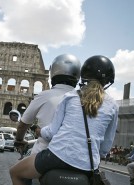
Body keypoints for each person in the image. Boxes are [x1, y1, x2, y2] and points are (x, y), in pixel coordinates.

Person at [9, 55, 118, 185]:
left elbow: (52, 132)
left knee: (15, 173)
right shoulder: (113, 106)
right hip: (89, 165)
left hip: (58, 156)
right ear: (108, 81)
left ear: (83, 75)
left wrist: (39, 131)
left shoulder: (70, 97)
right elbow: (105, 147)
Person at [14, 54, 81, 185]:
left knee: (16, 174)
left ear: (53, 73)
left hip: (45, 154)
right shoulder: (83, 100)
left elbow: (23, 125)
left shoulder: (44, 96)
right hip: (76, 159)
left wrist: (19, 139)